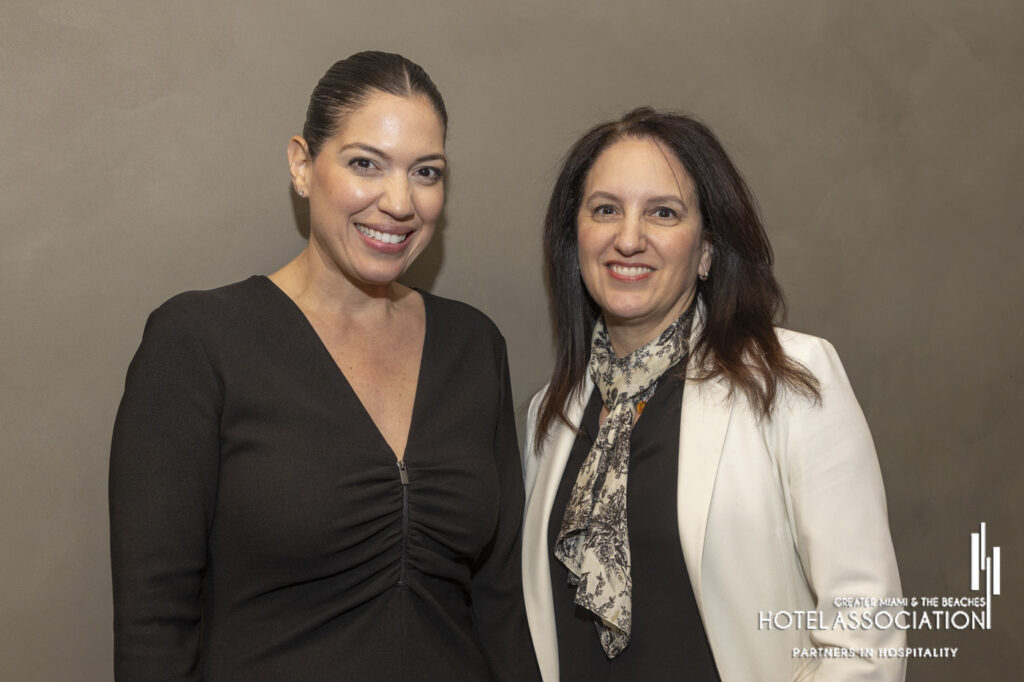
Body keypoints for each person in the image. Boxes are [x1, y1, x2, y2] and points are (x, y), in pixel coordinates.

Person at [110, 51, 537, 681]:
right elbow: (154, 623)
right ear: (302, 165)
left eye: (425, 172)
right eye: (366, 163)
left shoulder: (474, 347)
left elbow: (500, 605)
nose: (400, 202)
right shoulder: (199, 342)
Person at [521, 108, 905, 681]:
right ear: (574, 240)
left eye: (663, 212)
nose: (629, 238)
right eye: (605, 209)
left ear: (705, 250)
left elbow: (866, 633)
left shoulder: (790, 380)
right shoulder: (549, 415)